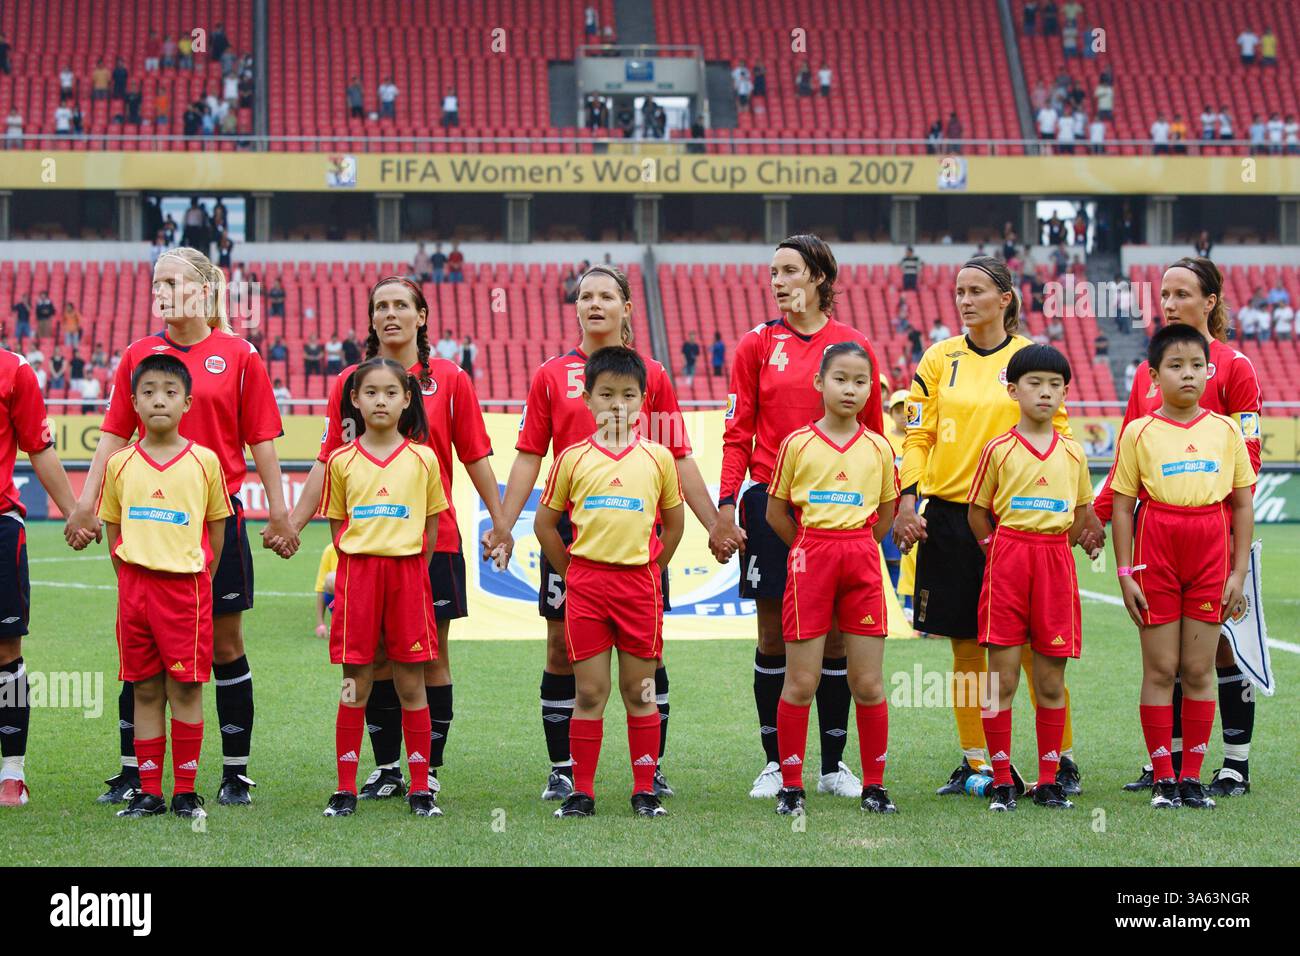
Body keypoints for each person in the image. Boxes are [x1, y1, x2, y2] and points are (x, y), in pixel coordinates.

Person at [66, 247, 298, 808]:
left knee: (225, 645)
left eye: (174, 282)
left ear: (206, 289)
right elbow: (114, 434)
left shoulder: (239, 355)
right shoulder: (138, 355)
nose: (163, 293)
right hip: (147, 521)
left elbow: (261, 438)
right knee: (142, 647)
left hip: (215, 521)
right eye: (157, 283)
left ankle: (235, 773)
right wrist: (85, 503)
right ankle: (134, 774)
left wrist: (279, 511)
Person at [290, 278, 513, 808]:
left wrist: (501, 522)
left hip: (435, 544)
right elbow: (327, 460)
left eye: (400, 306)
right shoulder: (351, 382)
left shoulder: (451, 380)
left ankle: (426, 771)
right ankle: (387, 767)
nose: (390, 314)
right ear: (371, 319)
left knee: (429, 661)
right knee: (374, 663)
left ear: (421, 316)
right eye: (381, 306)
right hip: (369, 552)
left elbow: (476, 456)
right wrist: (293, 523)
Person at [497, 266, 711, 802]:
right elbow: (529, 455)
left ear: (626, 307)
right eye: (585, 296)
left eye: (606, 296)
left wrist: (716, 523)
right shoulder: (551, 375)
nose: (594, 303)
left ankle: (650, 771)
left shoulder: (652, 374)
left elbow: (678, 455)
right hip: (572, 532)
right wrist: (504, 523)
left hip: (637, 534)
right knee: (559, 649)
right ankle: (563, 770)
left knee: (650, 657)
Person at [893, 256, 1102, 797]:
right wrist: (909, 499)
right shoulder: (938, 358)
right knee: (965, 644)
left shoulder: (1030, 359)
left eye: (977, 291)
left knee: (1034, 647)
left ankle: (1062, 760)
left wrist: (1080, 512)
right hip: (950, 517)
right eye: (959, 291)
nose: (965, 300)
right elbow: (918, 436)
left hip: (1017, 522)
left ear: (1005, 298)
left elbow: (1060, 436)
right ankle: (977, 761)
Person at [706, 236, 885, 800]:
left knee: (835, 641)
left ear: (819, 277)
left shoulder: (853, 346)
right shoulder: (757, 343)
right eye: (773, 272)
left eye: (789, 271)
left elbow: (877, 437)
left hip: (840, 510)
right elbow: (737, 433)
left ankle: (833, 766)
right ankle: (775, 764)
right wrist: (727, 505)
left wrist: (887, 509)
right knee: (773, 636)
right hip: (771, 502)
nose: (777, 282)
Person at [1092, 257, 1263, 799]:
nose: (1168, 304)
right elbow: (1127, 460)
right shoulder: (1147, 372)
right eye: (1164, 294)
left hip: (1218, 531)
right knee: (1168, 659)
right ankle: (1167, 764)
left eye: (1182, 294)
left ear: (1210, 302)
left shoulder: (1234, 366)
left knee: (1223, 651)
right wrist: (1096, 517)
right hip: (1159, 537)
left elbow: (1249, 456)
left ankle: (1234, 762)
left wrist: (1229, 544)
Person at [533, 347, 684, 819]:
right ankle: (582, 793)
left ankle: (644, 790)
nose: (618, 404)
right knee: (590, 693)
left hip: (639, 587)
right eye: (607, 394)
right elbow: (544, 525)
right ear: (587, 398)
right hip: (587, 589)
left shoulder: (659, 458)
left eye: (629, 395)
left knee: (640, 691)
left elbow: (674, 525)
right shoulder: (572, 458)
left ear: (643, 400)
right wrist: (572, 573)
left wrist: (652, 570)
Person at [766, 343, 900, 817]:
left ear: (871, 391)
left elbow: (886, 514)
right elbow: (776, 512)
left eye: (861, 382)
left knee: (868, 683)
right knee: (801, 681)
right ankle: (791, 787)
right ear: (820, 383)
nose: (850, 389)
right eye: (840, 379)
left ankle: (875, 787)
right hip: (811, 559)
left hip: (861, 558)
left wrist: (856, 544)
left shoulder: (879, 447)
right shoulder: (797, 444)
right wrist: (809, 547)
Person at [96, 355, 232, 819]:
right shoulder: (119, 463)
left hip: (185, 590)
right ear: (133, 402)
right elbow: (113, 527)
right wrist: (128, 575)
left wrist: (200, 577)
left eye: (170, 392)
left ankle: (186, 792)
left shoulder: (204, 461)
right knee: (145, 690)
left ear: (187, 403)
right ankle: (150, 792)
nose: (159, 400)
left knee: (186, 690)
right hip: (135, 591)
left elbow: (216, 527)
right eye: (149, 392)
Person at [319, 358, 448, 818]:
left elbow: (430, 528)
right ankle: (344, 788)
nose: (381, 401)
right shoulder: (341, 460)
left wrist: (408, 569)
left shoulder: (423, 458)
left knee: (411, 683)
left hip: (407, 576)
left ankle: (421, 788)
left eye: (391, 393)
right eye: (370, 392)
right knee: (355, 682)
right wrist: (364, 561)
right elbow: (338, 526)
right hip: (359, 578)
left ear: (407, 399)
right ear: (354, 400)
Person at [969, 345, 1093, 811]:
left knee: (1050, 681)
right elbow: (977, 512)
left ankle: (1048, 780)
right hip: (1008, 558)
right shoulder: (998, 449)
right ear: (1013, 390)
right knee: (1000, 681)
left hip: (1054, 562)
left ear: (1065, 393)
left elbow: (1081, 514)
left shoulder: (1074, 453)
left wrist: (1058, 547)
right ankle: (1003, 780)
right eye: (1035, 383)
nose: (1045, 392)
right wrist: (997, 551)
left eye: (1054, 385)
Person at [0, 345, 78, 806]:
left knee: (6, 650)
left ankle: (12, 772)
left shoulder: (15, 371)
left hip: (0, 525)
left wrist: (74, 513)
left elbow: (39, 449)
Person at [313, 542, 337, 639]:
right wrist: (320, 624)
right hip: (341, 600)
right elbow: (321, 588)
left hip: (361, 596)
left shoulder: (360, 547)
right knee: (331, 579)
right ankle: (341, 622)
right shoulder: (330, 550)